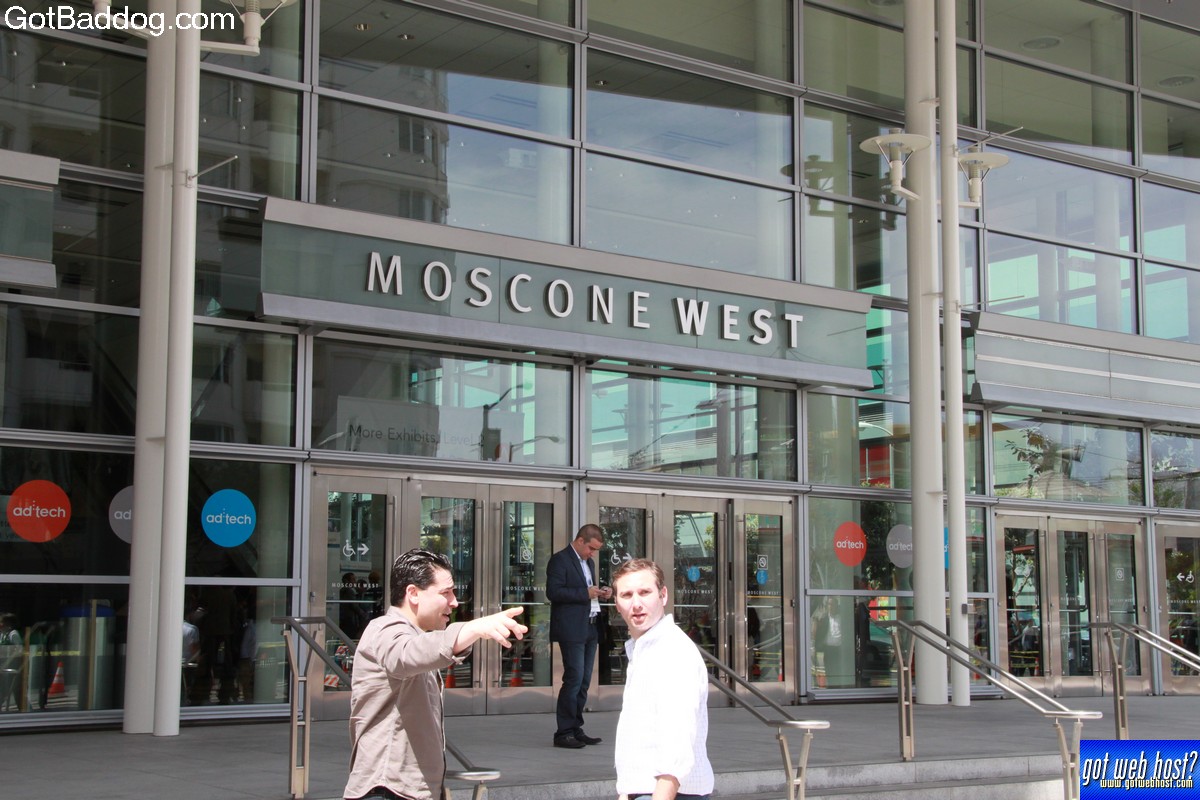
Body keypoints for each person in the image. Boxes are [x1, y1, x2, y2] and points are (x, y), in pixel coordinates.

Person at [344, 549, 527, 800]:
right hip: (387, 790)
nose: (455, 602)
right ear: (413, 593)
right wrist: (472, 629)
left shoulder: (415, 634)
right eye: (445, 593)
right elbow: (406, 654)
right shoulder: (384, 629)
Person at [612, 558, 712, 800]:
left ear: (663, 595)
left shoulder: (672, 652)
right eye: (626, 595)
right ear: (616, 604)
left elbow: (676, 742)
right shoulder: (643, 648)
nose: (636, 603)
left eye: (645, 592)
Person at [547, 523, 611, 749]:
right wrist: (585, 593)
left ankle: (575, 728)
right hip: (572, 628)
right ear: (580, 540)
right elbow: (553, 592)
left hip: (590, 625)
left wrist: (601, 592)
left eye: (596, 550)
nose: (592, 553)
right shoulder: (560, 560)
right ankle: (563, 732)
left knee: (584, 681)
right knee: (574, 678)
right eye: (591, 548)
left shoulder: (589, 563)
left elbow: (587, 591)